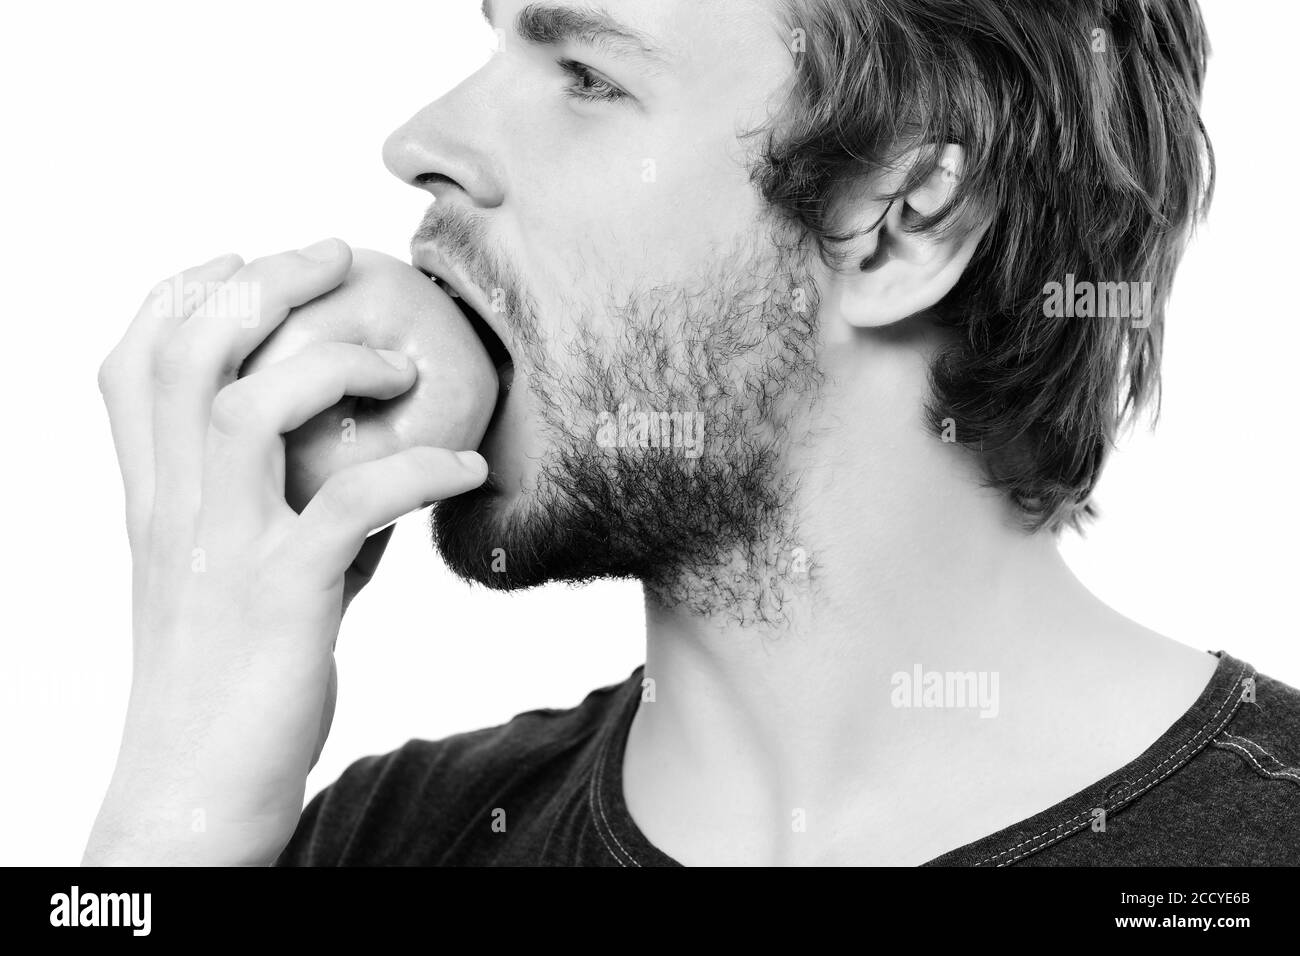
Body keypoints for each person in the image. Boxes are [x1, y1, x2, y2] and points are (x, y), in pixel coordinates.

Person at [86, 0, 1299, 867]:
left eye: (586, 76)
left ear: (904, 220)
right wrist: (170, 809)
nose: (419, 145)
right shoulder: (382, 838)